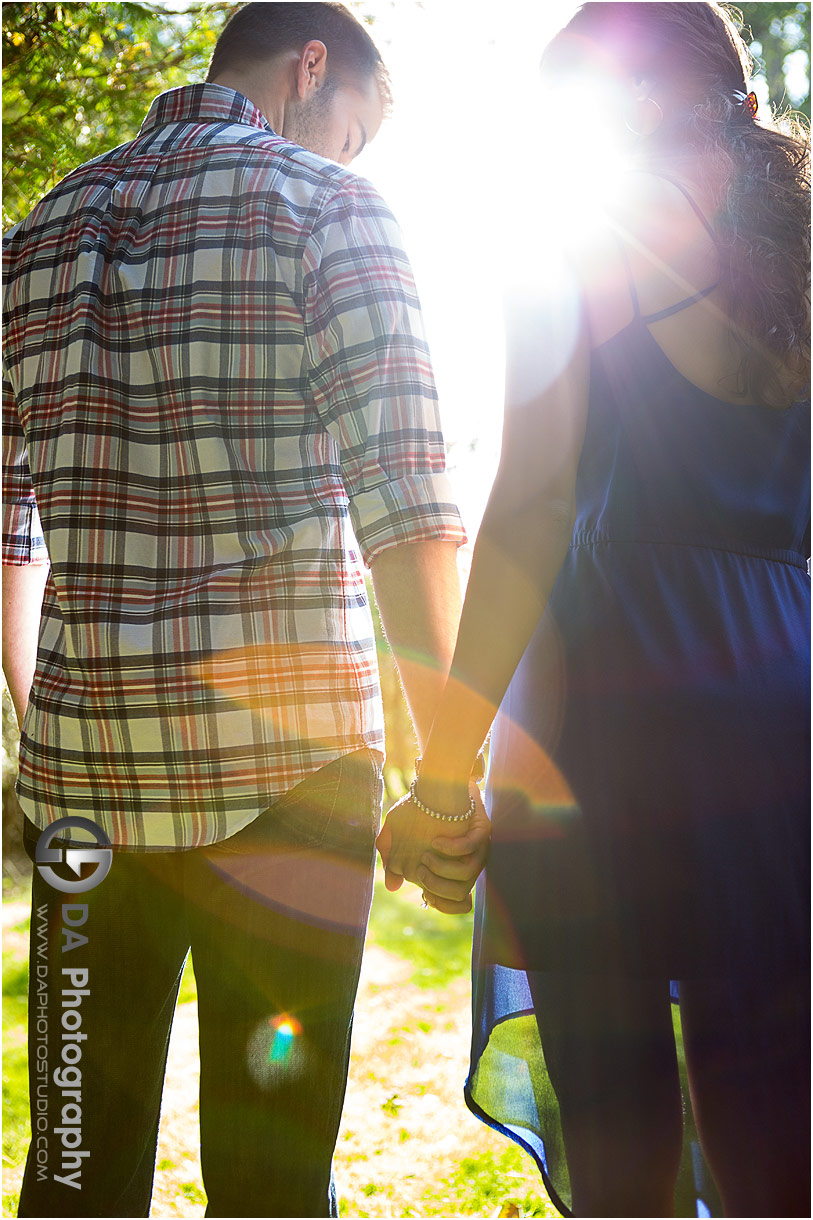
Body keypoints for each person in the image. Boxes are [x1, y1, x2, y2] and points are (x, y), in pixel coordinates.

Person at [2, 4, 488, 1216]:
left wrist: (50, 716)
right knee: (274, 1183)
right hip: (291, 787)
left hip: (81, 804)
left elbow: (6, 536)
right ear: (310, 66)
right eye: (352, 132)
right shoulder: (328, 211)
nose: (346, 158)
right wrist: (445, 779)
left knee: (73, 1163)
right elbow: (413, 513)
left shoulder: (32, 237)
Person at [380, 3, 810, 1216]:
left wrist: (445, 779)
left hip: (616, 697)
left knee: (623, 1142)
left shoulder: (583, 233)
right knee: (782, 1133)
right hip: (790, 694)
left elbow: (531, 504)